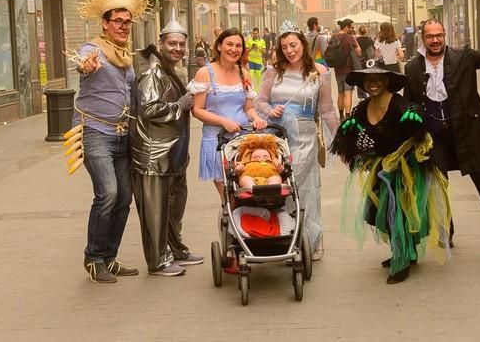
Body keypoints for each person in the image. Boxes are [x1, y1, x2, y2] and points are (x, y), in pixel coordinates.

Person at [403, 17, 480, 253]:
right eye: (430, 36)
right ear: (423, 38)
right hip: (434, 135)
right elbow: (409, 101)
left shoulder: (463, 57)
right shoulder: (413, 68)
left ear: (445, 35)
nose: (435, 40)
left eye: (439, 35)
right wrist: (412, 115)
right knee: (438, 185)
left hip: (467, 131)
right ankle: (445, 231)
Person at [330, 60, 452, 284]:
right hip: (382, 167)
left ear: (387, 81)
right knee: (383, 214)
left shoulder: (399, 104)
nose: (372, 83)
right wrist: (348, 132)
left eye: (377, 78)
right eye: (368, 79)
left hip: (406, 166)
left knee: (400, 215)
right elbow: (353, 138)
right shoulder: (362, 108)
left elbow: (416, 117)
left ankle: (402, 261)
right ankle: (408, 252)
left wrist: (415, 118)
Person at [73, 0, 149, 283]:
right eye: (117, 21)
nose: (122, 26)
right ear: (104, 23)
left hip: (122, 137)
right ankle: (93, 259)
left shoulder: (126, 56)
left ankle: (109, 257)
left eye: (127, 22)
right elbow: (81, 62)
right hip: (95, 133)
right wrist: (85, 65)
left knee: (124, 198)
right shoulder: (93, 49)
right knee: (107, 193)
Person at [255, 20, 339, 260]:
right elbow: (259, 102)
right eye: (284, 47)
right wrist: (270, 111)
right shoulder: (272, 72)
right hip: (278, 137)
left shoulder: (319, 73)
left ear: (302, 44)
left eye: (293, 45)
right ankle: (285, 237)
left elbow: (327, 109)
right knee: (279, 185)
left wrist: (341, 137)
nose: (289, 51)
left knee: (305, 188)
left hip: (305, 138)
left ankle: (312, 239)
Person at [130, 15, 204, 277]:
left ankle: (175, 249)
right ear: (160, 43)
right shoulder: (152, 72)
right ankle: (158, 260)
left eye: (182, 45)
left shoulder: (167, 70)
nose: (178, 49)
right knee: (156, 211)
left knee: (174, 206)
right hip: (154, 155)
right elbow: (149, 109)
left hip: (173, 154)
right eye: (172, 44)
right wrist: (179, 106)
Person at [190, 28, 267, 200]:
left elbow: (248, 108)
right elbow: (197, 109)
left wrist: (257, 118)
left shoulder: (243, 73)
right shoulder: (205, 73)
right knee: (230, 198)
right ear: (219, 46)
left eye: (238, 45)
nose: (234, 49)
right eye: (229, 44)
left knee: (249, 193)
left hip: (242, 139)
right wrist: (224, 122)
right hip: (217, 142)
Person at [332, 18, 361, 119]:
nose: (352, 29)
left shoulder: (334, 37)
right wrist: (354, 40)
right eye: (351, 27)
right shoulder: (349, 37)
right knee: (348, 93)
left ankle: (340, 116)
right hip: (348, 70)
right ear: (346, 27)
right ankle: (348, 116)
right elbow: (359, 52)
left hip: (337, 70)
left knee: (340, 93)